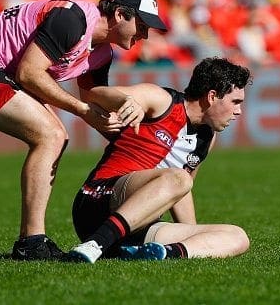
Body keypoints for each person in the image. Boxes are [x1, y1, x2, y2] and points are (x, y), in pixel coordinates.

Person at [0, 0, 168, 261]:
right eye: (143, 24)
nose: (145, 35)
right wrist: (84, 111)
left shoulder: (102, 52)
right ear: (121, 14)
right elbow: (29, 74)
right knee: (51, 136)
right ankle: (31, 241)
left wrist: (125, 110)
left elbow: (92, 94)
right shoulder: (72, 19)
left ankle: (32, 239)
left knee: (55, 136)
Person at [66, 57, 251, 263]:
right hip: (98, 202)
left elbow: (181, 191)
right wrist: (124, 102)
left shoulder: (207, 138)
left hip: (138, 226)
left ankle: (164, 254)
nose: (238, 111)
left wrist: (191, 231)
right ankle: (96, 243)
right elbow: (95, 94)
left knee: (238, 236)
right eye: (235, 102)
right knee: (180, 178)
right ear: (212, 96)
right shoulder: (162, 100)